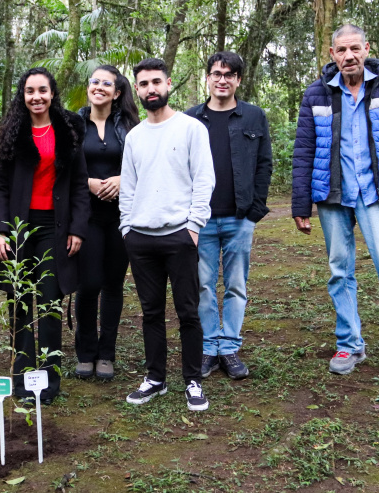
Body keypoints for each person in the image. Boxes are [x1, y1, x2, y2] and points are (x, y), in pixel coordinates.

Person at [292, 24, 379, 387]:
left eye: (355, 48)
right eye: (341, 50)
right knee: (340, 270)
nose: (349, 56)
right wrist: (300, 202)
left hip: (378, 193)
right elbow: (304, 150)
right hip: (332, 196)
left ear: (366, 48)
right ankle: (349, 344)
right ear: (332, 54)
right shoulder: (316, 93)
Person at [0, 67, 90, 405]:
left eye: (42, 90)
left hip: (54, 228)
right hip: (18, 228)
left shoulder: (69, 131)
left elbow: (79, 186)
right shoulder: (14, 132)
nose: (36, 97)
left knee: (48, 303)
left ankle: (47, 383)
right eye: (30, 91)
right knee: (19, 304)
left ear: (52, 93)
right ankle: (22, 381)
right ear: (23, 95)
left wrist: (77, 228)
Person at [120, 58, 215, 411]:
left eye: (156, 82)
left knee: (188, 311)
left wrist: (193, 227)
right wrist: (127, 228)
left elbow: (204, 180)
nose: (150, 89)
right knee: (150, 312)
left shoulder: (191, 129)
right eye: (143, 84)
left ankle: (192, 380)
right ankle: (155, 378)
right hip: (140, 238)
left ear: (169, 83)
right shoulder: (134, 136)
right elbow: (127, 188)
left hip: (179, 235)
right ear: (138, 90)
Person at [186, 52, 272, 380]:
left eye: (229, 74)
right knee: (203, 285)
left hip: (239, 218)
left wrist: (254, 211)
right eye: (217, 73)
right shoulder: (190, 120)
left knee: (236, 284)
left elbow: (264, 163)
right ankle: (209, 346)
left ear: (238, 80)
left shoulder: (253, 116)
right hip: (201, 220)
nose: (222, 79)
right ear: (207, 78)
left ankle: (230, 347)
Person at [73, 65, 140, 380]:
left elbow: (144, 165)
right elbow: (62, 168)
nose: (98, 86)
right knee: (88, 284)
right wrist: (89, 183)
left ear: (117, 92)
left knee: (113, 284)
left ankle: (107, 354)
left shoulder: (129, 125)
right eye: (94, 81)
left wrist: (120, 178)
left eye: (106, 83)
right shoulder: (73, 124)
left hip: (121, 216)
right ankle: (85, 352)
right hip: (86, 216)